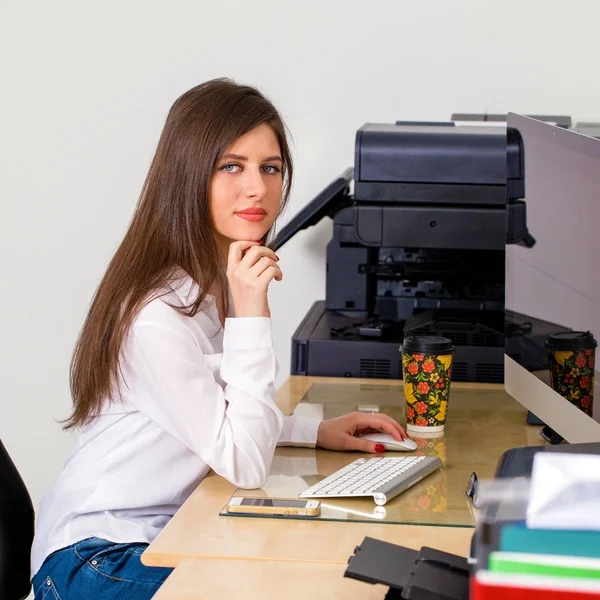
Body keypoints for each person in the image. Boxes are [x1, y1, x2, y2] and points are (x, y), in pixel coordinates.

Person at [30, 78, 407, 599]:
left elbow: (217, 414)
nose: (257, 187)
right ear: (188, 176)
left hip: (169, 532)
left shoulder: (205, 282)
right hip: (96, 558)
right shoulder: (154, 314)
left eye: (269, 168)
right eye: (231, 166)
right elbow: (244, 464)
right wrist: (251, 313)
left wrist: (309, 430)